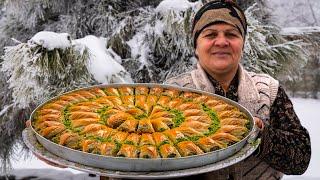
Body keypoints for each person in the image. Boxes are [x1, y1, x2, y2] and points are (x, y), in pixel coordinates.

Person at [165, 0, 311, 179]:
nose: (221, 42)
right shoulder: (172, 92)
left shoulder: (268, 90)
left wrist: (260, 136)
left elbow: (301, 158)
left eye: (231, 34)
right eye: (210, 35)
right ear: (196, 45)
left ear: (242, 43)